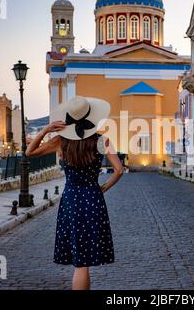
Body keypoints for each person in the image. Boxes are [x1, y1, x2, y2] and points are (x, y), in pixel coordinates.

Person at [25, 97, 124, 290]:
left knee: (80, 262)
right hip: (93, 198)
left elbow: (29, 152)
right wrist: (104, 187)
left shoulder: (61, 141)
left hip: (71, 200)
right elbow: (119, 169)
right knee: (84, 262)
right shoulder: (102, 140)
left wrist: (46, 129)